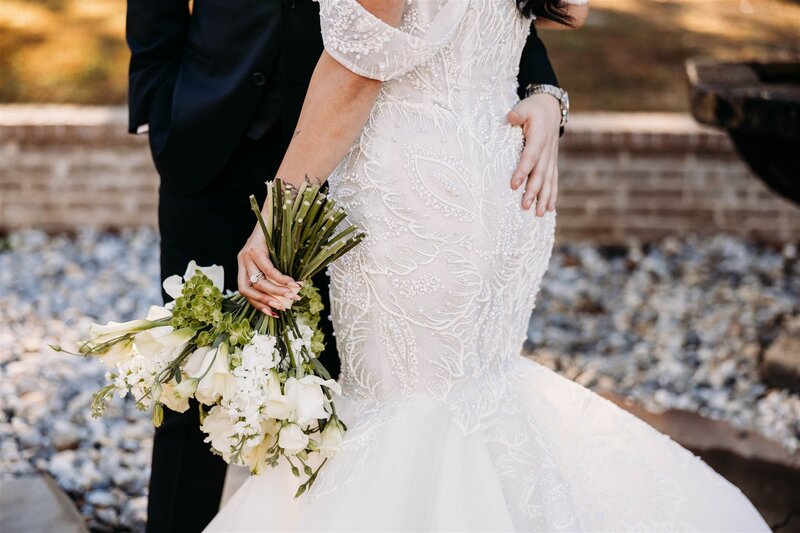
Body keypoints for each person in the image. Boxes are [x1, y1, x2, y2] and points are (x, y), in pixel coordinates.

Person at [208, 0, 771, 531]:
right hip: (501, 177)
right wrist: (548, 93)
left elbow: (355, 77)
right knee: (469, 395)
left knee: (407, 407)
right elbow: (571, 9)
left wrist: (276, 217)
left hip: (419, 196)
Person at [125, 0, 566, 530]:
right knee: (191, 374)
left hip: (357, 158)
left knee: (351, 392)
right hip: (214, 143)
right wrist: (157, 103)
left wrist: (543, 89)